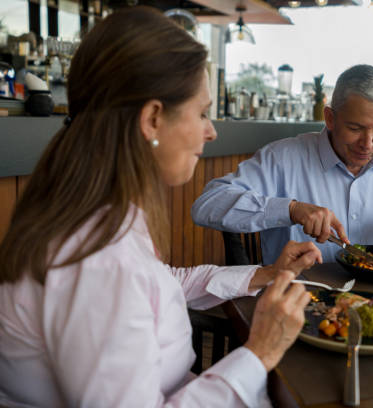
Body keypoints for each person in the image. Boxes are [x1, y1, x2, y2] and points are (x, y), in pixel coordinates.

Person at [0, 7, 322, 407]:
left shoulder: (102, 213)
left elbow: (163, 284)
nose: (212, 130)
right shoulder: (98, 260)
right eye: (202, 112)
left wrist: (266, 274)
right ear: (152, 118)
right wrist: (260, 353)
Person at [192, 64, 373, 264]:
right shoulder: (282, 158)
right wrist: (290, 209)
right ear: (330, 118)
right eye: (356, 128)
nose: (368, 143)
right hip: (299, 304)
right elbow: (205, 206)